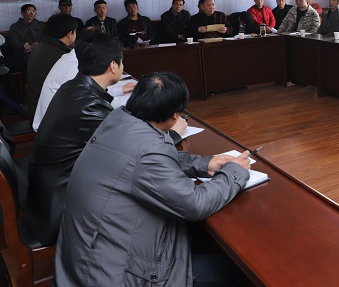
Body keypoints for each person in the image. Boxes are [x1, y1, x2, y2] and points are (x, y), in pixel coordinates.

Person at [54, 72, 251, 286]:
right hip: (114, 275)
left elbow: (139, 163)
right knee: (238, 270)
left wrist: (204, 164)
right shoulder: (149, 150)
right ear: (175, 116)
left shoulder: (117, 121)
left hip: (88, 259)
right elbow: (195, 204)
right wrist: (234, 173)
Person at [26, 32, 124, 245]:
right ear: (113, 66)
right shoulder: (88, 106)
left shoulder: (72, 87)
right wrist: (171, 131)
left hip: (43, 198)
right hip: (59, 209)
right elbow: (129, 150)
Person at [32, 27, 136, 131]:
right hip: (53, 129)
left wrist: (120, 90)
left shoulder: (76, 64)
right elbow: (102, 108)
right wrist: (137, 98)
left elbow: (94, 92)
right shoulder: (74, 69)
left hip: (55, 127)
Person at [26, 13, 77, 116]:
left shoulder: (43, 46)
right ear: (69, 34)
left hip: (35, 105)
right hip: (47, 112)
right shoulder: (62, 57)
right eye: (75, 31)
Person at [7, 3, 45, 72]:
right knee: (28, 60)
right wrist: (24, 45)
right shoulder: (15, 27)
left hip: (39, 50)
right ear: (22, 13)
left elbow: (47, 39)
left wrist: (39, 44)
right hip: (23, 53)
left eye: (33, 11)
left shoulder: (42, 25)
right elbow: (13, 43)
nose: (32, 13)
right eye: (28, 11)